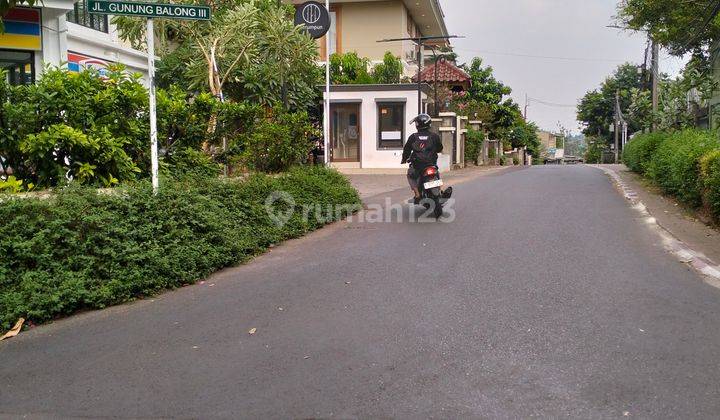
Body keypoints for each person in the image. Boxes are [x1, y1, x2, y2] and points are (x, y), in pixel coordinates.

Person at [401, 113, 451, 203]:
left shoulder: (413, 137)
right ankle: (440, 190)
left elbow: (407, 149)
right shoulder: (434, 136)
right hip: (431, 164)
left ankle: (417, 194)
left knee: (410, 175)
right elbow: (440, 148)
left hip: (418, 165)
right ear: (429, 124)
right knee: (436, 173)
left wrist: (404, 159)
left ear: (417, 125)